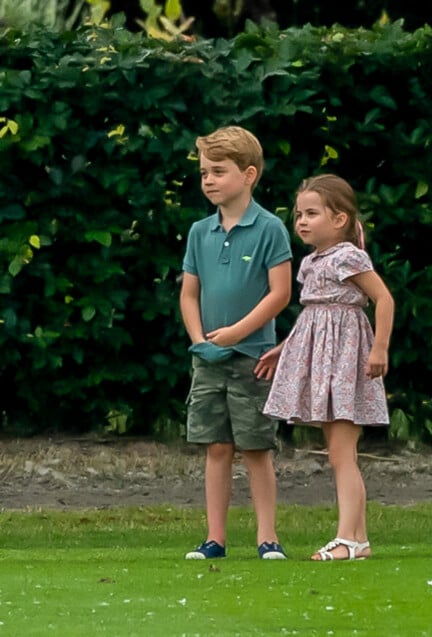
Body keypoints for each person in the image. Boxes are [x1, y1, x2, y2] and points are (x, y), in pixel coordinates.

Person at [256, 173, 394, 561]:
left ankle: (347, 538)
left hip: (346, 362)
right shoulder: (311, 262)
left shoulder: (349, 257)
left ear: (339, 218)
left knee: (341, 453)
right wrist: (285, 349)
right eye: (299, 214)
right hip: (322, 362)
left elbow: (384, 299)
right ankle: (359, 540)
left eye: (311, 213)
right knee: (338, 452)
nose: (301, 221)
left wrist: (378, 348)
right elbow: (313, 321)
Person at [180, 125, 293, 560]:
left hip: (254, 357)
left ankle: (268, 538)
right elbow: (189, 293)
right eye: (204, 172)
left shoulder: (270, 228)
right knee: (217, 446)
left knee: (256, 447)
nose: (208, 180)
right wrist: (199, 340)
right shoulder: (198, 232)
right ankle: (215, 540)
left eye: (218, 171)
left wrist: (236, 334)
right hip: (207, 360)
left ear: (248, 174)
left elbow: (279, 294)